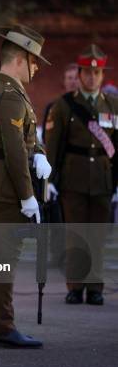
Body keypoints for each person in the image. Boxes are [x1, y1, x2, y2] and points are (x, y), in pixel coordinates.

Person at [0, 24, 51, 348]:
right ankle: (1, 327)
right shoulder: (8, 92)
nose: (36, 67)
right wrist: (28, 196)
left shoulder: (8, 90)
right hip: (8, 189)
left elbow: (26, 144)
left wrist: (40, 156)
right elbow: (14, 149)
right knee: (4, 259)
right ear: (20, 58)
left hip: (2, 184)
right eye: (34, 61)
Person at [45, 44, 118, 306]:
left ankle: (95, 287)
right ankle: (75, 287)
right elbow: (53, 146)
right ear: (79, 73)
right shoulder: (65, 106)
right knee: (75, 234)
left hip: (103, 178)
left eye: (96, 74)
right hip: (72, 179)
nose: (91, 77)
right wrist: (49, 180)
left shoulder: (113, 104)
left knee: (97, 235)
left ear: (102, 76)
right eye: (87, 73)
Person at [42, 63, 80, 141]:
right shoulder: (52, 107)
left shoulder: (88, 106)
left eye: (76, 78)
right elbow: (45, 136)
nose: (73, 82)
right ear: (64, 81)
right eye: (69, 78)